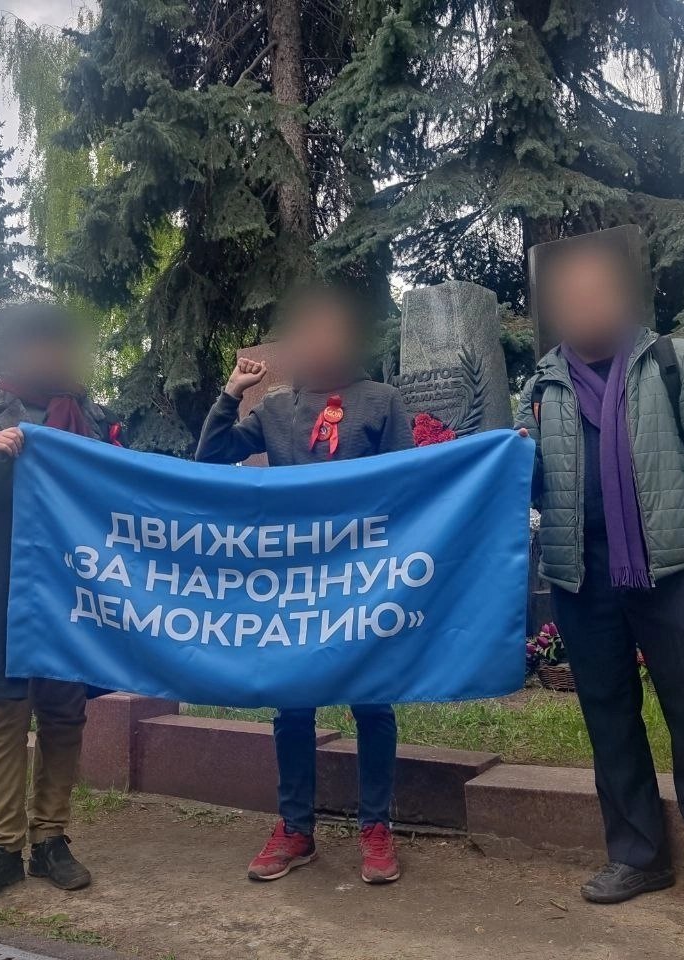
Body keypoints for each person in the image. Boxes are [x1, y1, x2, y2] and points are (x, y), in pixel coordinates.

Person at [517, 235, 684, 930]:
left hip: (671, 569)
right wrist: (505, 461)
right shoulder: (541, 386)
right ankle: (639, 854)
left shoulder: (670, 361)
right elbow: (527, 479)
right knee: (609, 717)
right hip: (582, 576)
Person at [195, 285, 413, 885]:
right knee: (292, 705)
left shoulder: (382, 401)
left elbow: (411, 487)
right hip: (293, 583)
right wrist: (231, 393)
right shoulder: (274, 410)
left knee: (372, 702)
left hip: (365, 578)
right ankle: (296, 829)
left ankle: (376, 828)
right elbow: (211, 456)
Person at [0, 301, 121, 904]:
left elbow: (122, 493)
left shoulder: (94, 418)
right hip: (2, 586)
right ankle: (2, 850)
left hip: (70, 587)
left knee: (64, 714)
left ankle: (50, 840)